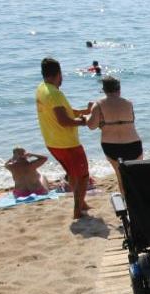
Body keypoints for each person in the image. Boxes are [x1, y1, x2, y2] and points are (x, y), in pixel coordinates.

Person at [36, 57, 93, 219]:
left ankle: (81, 203)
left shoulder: (42, 89)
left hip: (52, 142)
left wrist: (83, 111)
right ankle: (77, 211)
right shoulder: (55, 94)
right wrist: (84, 122)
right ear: (58, 74)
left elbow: (64, 111)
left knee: (73, 174)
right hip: (67, 144)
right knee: (83, 176)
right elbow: (64, 120)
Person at [87, 75, 142, 194]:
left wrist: (88, 116)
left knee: (121, 177)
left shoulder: (99, 104)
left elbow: (92, 126)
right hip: (133, 143)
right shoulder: (128, 103)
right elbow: (131, 120)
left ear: (104, 89)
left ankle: (127, 204)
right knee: (137, 175)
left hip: (111, 145)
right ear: (119, 89)